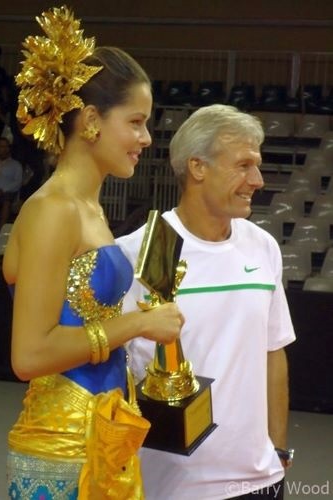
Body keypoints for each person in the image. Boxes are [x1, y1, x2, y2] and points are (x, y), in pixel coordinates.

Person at [2, 6, 183, 499]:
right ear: (90, 121)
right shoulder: (53, 209)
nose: (146, 138)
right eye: (137, 122)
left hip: (107, 433)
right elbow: (30, 354)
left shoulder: (89, 208)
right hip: (63, 448)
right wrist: (139, 324)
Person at [117, 104, 296, 500]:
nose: (258, 180)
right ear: (197, 167)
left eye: (258, 165)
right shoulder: (136, 252)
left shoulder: (262, 246)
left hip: (260, 481)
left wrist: (278, 449)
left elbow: (273, 352)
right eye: (244, 165)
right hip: (167, 487)